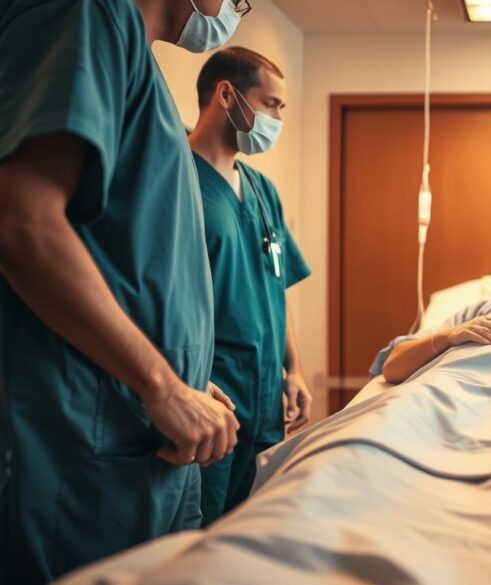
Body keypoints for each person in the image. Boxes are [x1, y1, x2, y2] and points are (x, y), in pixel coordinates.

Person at [0, 0, 250, 581]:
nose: (237, 10)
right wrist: (160, 382)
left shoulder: (142, 70)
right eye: (239, 2)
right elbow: (22, 221)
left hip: (140, 437)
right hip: (81, 444)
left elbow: (126, 256)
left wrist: (184, 376)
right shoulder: (83, 15)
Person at [187, 47, 311, 525]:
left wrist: (294, 370)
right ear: (226, 95)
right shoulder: (179, 179)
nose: (278, 117)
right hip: (210, 394)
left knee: (252, 528)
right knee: (202, 531)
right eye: (271, 104)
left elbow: (276, 285)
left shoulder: (262, 190)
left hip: (264, 399)